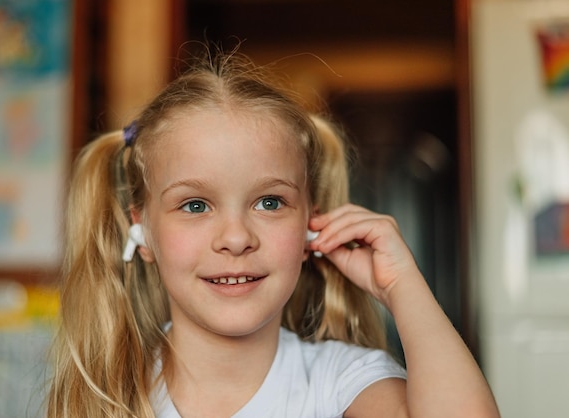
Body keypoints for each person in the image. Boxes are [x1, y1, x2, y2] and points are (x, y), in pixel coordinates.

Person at [46, 47, 500, 418]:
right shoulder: (105, 395)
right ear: (141, 230)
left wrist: (404, 287)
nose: (237, 238)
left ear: (310, 224)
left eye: (269, 202)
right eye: (195, 205)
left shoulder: (340, 383)